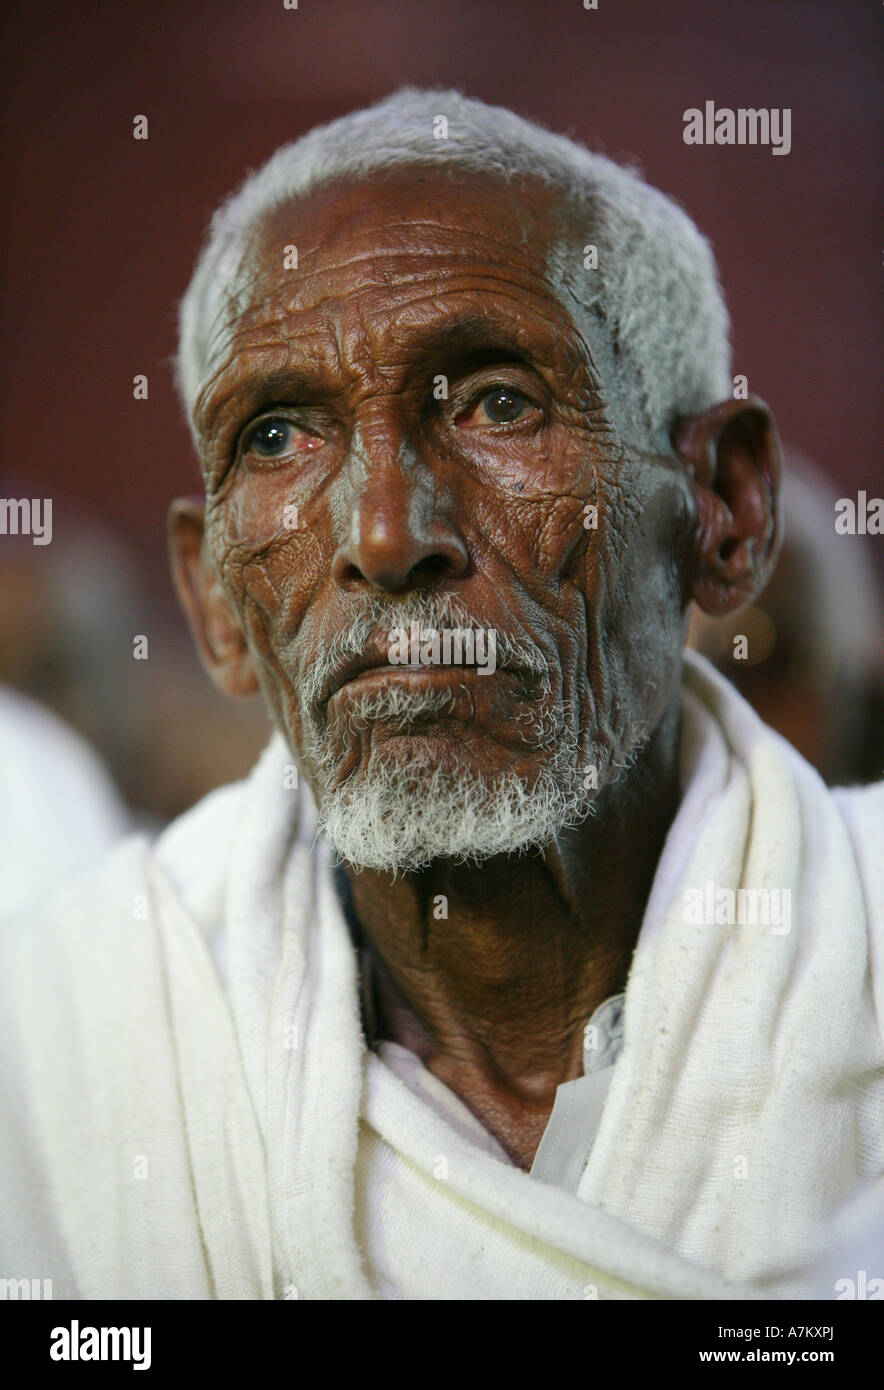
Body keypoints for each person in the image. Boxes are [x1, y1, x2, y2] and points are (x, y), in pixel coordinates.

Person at [1, 88, 881, 1301]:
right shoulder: (62, 1032)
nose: (382, 531)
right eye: (278, 437)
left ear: (722, 510)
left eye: (496, 401)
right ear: (213, 600)